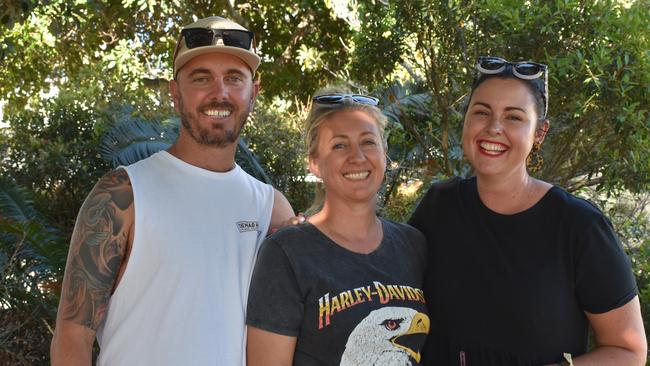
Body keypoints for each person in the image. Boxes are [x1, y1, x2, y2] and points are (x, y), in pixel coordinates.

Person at [50, 16, 295, 366]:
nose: (220, 93)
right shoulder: (123, 194)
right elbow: (73, 335)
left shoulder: (272, 209)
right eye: (201, 78)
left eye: (234, 78)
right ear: (175, 93)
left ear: (253, 93)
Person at [409, 56, 647, 365]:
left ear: (539, 133)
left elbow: (628, 351)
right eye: (481, 112)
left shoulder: (579, 227)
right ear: (465, 120)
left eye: (514, 117)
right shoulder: (439, 206)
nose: (493, 128)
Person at [246, 89, 430, 365]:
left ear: (385, 154)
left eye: (368, 142)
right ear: (315, 163)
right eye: (340, 145)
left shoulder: (413, 245)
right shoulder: (287, 253)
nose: (357, 157)